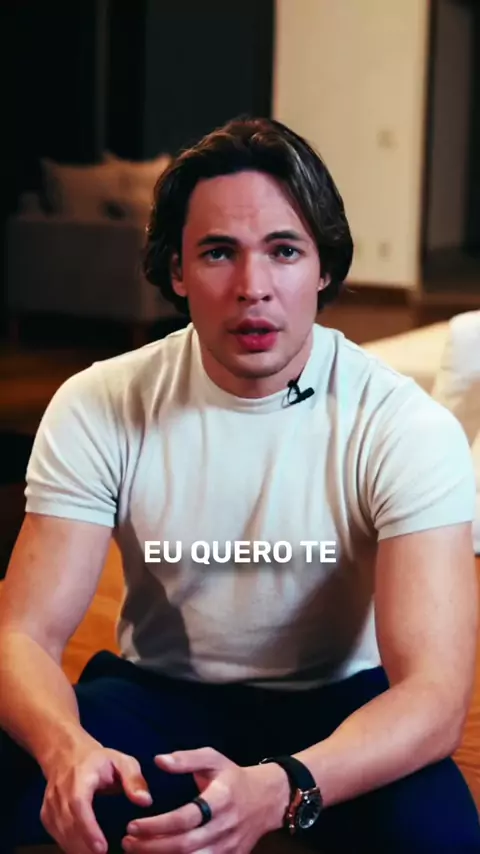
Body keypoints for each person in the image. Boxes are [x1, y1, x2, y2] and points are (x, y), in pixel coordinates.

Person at [0, 116, 479, 854]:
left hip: (339, 708)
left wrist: (284, 787)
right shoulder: (101, 402)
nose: (253, 288)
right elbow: (22, 634)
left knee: (439, 837)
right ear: (178, 271)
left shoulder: (405, 426)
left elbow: (435, 696)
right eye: (219, 252)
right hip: (156, 696)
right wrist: (66, 750)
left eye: (284, 251)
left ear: (323, 268)